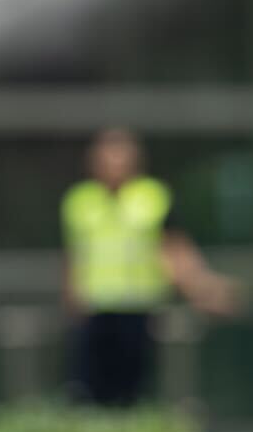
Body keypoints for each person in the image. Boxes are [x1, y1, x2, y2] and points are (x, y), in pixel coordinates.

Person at [62, 130, 237, 408]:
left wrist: (203, 286)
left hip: (138, 307)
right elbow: (75, 255)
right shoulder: (80, 200)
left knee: (131, 393)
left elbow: (174, 250)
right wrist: (72, 296)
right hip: (95, 309)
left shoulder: (153, 196)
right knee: (87, 393)